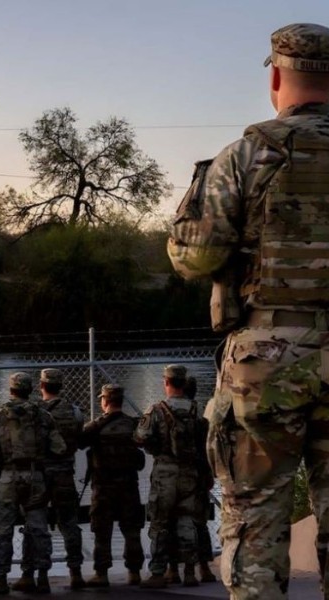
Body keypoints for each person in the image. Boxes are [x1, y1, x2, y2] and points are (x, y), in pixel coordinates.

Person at [167, 22, 329, 600]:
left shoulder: (245, 155)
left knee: (255, 518)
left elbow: (195, 256)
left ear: (278, 77)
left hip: (265, 362)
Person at [0, 372, 66, 595]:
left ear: (11, 390)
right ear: (31, 389)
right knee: (38, 529)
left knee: (2, 528)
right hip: (35, 477)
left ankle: (2, 578)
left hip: (8, 476)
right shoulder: (43, 416)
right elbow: (59, 447)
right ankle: (41, 577)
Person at [134, 365, 202, 589]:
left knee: (160, 522)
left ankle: (157, 572)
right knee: (186, 520)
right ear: (184, 382)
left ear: (166, 382)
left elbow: (140, 437)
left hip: (165, 470)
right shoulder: (196, 409)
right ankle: (190, 571)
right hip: (189, 472)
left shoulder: (157, 409)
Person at [78, 384, 145, 588]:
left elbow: (80, 442)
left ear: (105, 401)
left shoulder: (96, 426)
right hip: (129, 485)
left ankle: (102, 573)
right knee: (132, 529)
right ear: (121, 401)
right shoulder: (133, 424)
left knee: (102, 530)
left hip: (103, 486)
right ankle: (134, 572)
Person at [164, 377, 217, 585]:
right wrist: (208, 474)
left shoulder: (166, 412)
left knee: (171, 520)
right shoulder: (200, 416)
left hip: (171, 475)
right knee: (199, 522)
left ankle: (173, 568)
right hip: (197, 474)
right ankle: (204, 568)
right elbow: (207, 448)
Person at [36, 368, 84, 590]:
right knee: (70, 523)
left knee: (37, 524)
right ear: (61, 386)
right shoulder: (75, 412)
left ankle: (41, 575)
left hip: (41, 474)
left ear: (41, 386)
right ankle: (76, 572)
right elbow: (78, 439)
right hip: (65, 473)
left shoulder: (35, 412)